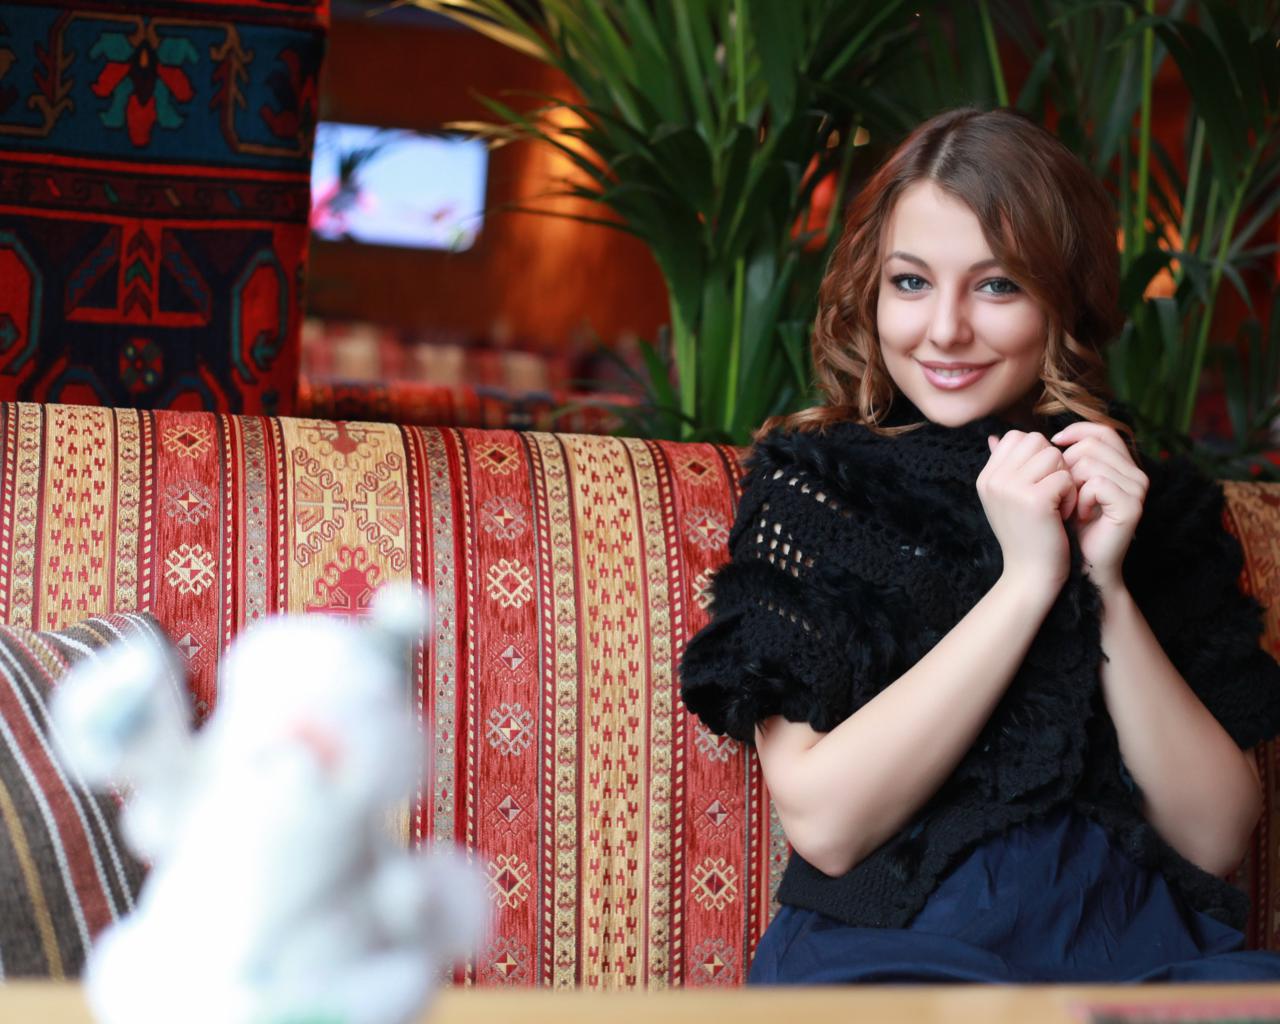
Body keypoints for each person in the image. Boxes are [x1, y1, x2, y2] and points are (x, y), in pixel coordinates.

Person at [678, 106, 1280, 984]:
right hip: (895, 952)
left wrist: (1104, 580)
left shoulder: (1148, 504)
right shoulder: (818, 490)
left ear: (1063, 300)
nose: (946, 329)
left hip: (1130, 953)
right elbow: (826, 826)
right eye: (910, 282)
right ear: (871, 292)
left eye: (997, 286)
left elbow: (1215, 837)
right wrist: (1028, 581)